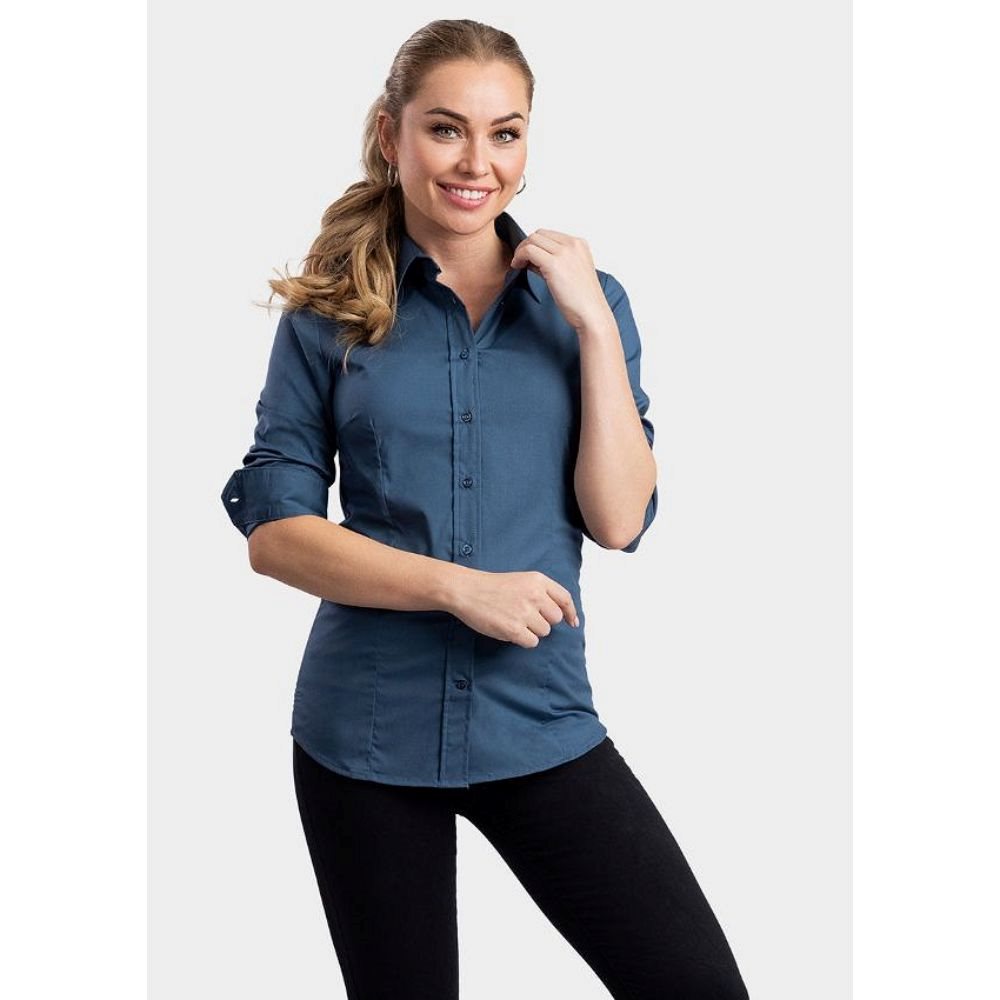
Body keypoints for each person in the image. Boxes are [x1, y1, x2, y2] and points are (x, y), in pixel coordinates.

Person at [220, 18, 750, 1000]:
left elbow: (619, 520)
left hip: (537, 720)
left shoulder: (588, 303)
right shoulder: (327, 314)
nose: (477, 162)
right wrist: (459, 588)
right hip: (364, 737)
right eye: (445, 129)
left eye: (504, 133)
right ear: (391, 134)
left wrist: (592, 326)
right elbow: (277, 534)